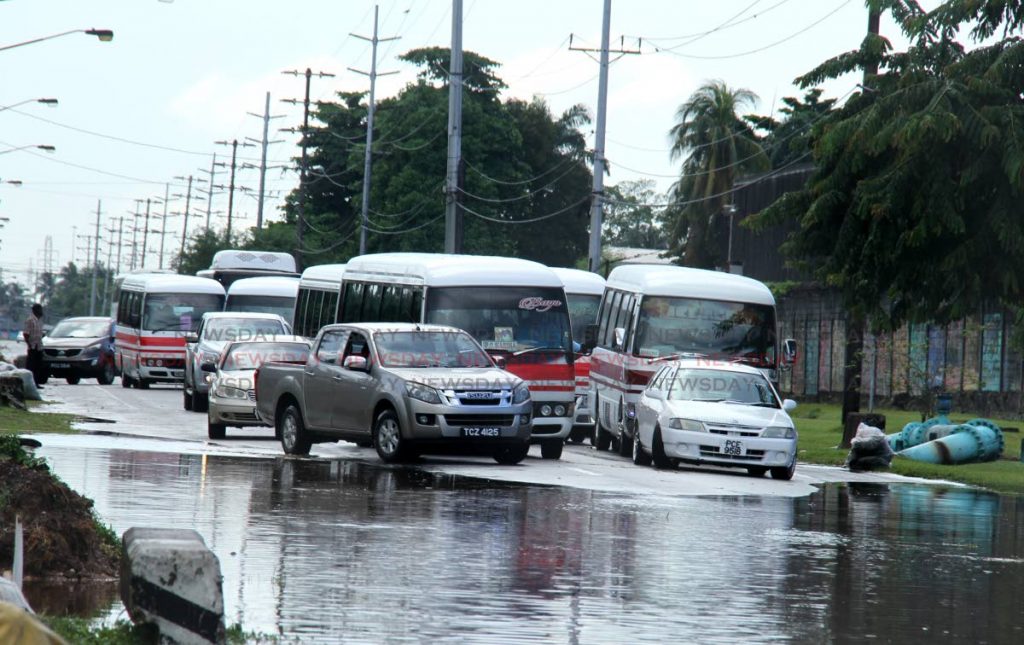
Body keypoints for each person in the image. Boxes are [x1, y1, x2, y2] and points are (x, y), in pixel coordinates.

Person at [22, 304, 44, 387]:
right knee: (31, 366)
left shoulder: (38, 320)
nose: (41, 311)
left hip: (39, 346)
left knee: (38, 366)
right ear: (35, 310)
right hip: (32, 346)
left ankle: (36, 383)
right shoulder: (30, 320)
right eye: (40, 309)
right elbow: (26, 333)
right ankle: (29, 383)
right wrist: (29, 344)